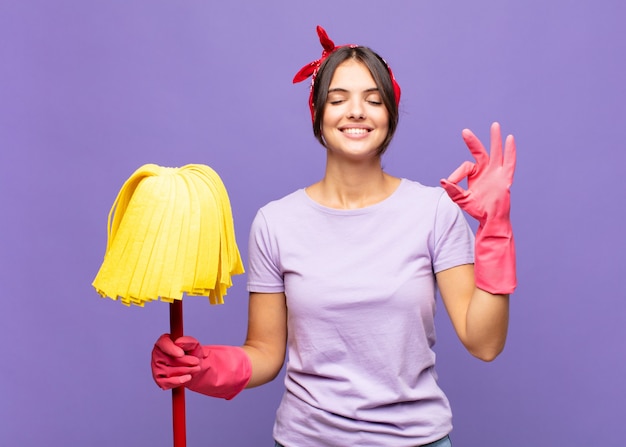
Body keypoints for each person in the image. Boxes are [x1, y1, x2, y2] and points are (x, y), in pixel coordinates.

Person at [151, 25, 516, 447]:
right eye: (338, 99)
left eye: (373, 100)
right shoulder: (276, 223)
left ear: (390, 115)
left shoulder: (434, 212)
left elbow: (484, 343)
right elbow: (266, 353)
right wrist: (203, 367)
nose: (356, 111)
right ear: (318, 115)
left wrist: (495, 232)